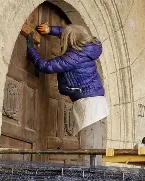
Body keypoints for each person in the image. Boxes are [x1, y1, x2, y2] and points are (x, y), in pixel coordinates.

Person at [26, 23, 109, 166]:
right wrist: (50, 30)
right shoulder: (89, 47)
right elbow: (70, 31)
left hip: (90, 108)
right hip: (95, 104)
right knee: (93, 151)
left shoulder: (74, 57)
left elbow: (46, 66)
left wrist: (31, 50)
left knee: (89, 154)